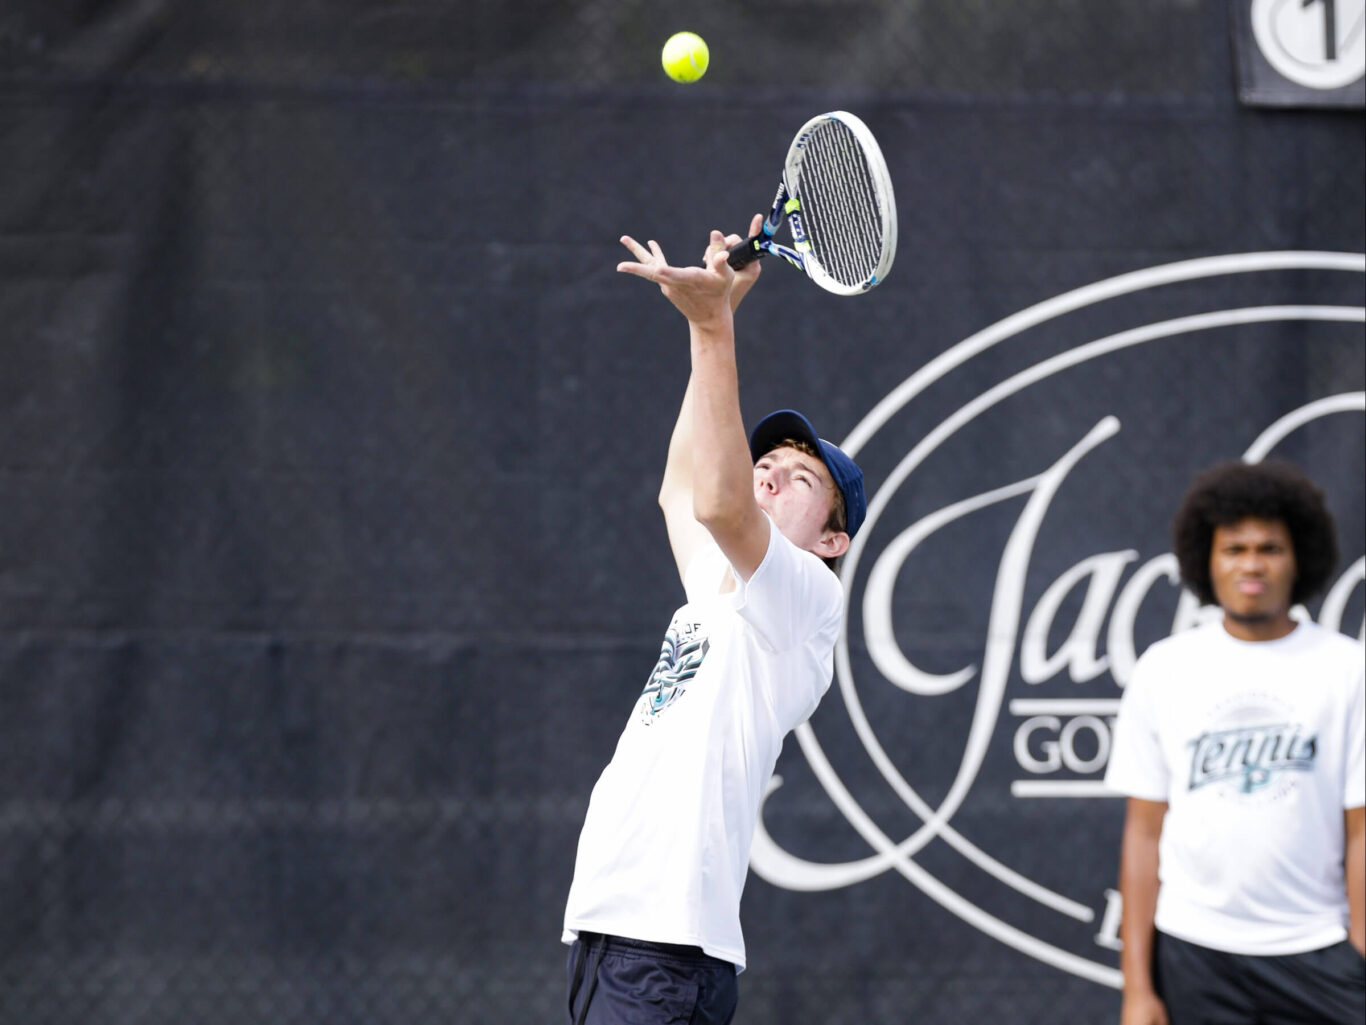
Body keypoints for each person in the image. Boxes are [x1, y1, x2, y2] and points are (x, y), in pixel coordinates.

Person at [559, 218, 867, 1025]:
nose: (769, 474)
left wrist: (713, 327)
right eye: (765, 461)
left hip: (666, 951)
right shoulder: (712, 588)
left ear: (832, 539)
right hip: (614, 933)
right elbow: (686, 487)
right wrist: (719, 312)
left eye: (798, 477)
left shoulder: (806, 597)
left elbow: (723, 502)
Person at [1105, 460, 1365, 1025]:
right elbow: (1144, 831)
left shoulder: (1349, 669)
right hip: (1195, 950)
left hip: (1317, 947)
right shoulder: (1165, 668)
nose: (1251, 564)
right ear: (1206, 560)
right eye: (1234, 548)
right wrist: (1137, 990)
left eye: (1269, 549)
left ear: (1300, 559)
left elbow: (1363, 829)